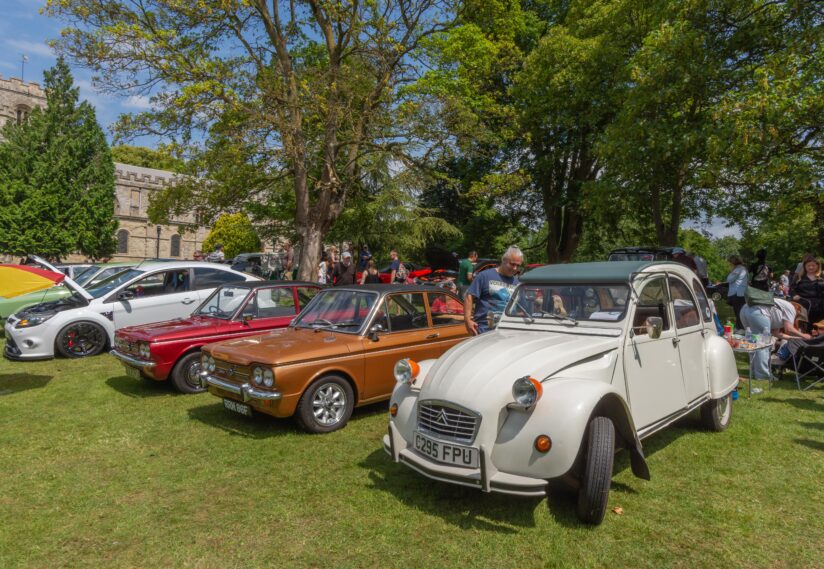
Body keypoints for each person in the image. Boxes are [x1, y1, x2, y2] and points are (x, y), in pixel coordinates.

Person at [740, 292, 811, 381]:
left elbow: (776, 333)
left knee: (753, 343)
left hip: (745, 309)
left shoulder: (780, 309)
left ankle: (754, 371)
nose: (796, 318)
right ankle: (763, 376)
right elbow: (789, 329)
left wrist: (799, 338)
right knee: (763, 345)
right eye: (799, 317)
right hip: (759, 312)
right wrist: (804, 335)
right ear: (799, 311)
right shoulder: (792, 309)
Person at [464, 246, 523, 335]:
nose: (515, 268)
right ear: (504, 260)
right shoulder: (484, 276)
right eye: (512, 264)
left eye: (518, 265)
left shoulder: (518, 282)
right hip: (484, 331)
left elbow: (521, 308)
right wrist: (467, 320)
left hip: (508, 333)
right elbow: (469, 296)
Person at [790, 255, 824, 324]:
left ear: (817, 266)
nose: (811, 267)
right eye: (808, 265)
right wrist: (794, 295)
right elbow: (791, 289)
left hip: (820, 305)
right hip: (802, 303)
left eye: (813, 265)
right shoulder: (799, 277)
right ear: (805, 266)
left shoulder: (822, 278)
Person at [725, 255, 748, 330]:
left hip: (737, 293)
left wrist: (731, 271)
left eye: (730, 263)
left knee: (738, 312)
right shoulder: (743, 269)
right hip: (741, 293)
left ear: (733, 262)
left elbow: (729, 279)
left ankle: (740, 328)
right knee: (740, 312)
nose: (729, 264)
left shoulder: (737, 269)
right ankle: (739, 328)